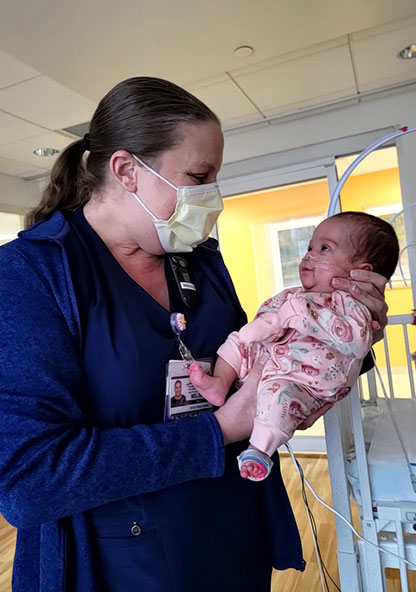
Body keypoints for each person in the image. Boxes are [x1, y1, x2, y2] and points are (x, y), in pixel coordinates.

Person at [0, 77, 388, 592]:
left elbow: (263, 355)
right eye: (199, 176)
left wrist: (348, 336)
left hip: (232, 530)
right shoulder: (32, 274)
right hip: (125, 558)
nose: (212, 198)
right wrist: (220, 430)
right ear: (126, 170)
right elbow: (32, 481)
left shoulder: (198, 258)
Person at [189, 212, 399, 481]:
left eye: (324, 248)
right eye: (310, 246)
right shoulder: (293, 295)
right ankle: (219, 382)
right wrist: (262, 330)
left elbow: (356, 343)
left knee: (280, 398)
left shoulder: (351, 305)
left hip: (301, 378)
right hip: (266, 362)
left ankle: (259, 449)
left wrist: (299, 314)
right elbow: (266, 320)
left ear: (361, 273)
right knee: (236, 341)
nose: (309, 254)